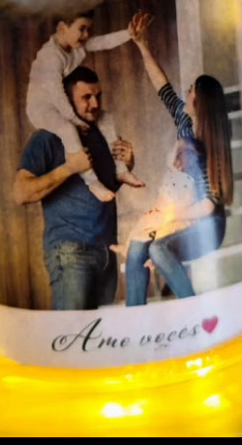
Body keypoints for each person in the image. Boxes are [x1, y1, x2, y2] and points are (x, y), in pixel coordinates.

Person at [122, 14, 234, 305]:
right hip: (181, 211)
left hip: (205, 222)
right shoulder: (184, 121)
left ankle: (192, 309)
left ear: (201, 102)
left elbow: (207, 205)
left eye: (192, 89)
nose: (186, 91)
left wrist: (168, 217)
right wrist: (141, 45)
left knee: (158, 249)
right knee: (135, 252)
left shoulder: (209, 147)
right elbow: (163, 87)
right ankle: (135, 318)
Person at [13, 65, 144, 310]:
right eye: (86, 97)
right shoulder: (47, 137)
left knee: (99, 332)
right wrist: (69, 168)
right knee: (73, 330)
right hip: (71, 253)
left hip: (106, 253)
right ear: (66, 101)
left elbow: (102, 192)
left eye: (98, 96)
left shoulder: (102, 133)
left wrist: (126, 166)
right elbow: (21, 193)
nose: (95, 104)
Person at [26, 10, 143, 201]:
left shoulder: (75, 45)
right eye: (82, 29)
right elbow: (56, 94)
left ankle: (121, 171)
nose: (86, 34)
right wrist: (74, 120)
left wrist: (128, 34)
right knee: (68, 129)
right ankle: (92, 182)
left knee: (106, 118)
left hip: (62, 102)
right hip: (42, 108)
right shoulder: (50, 56)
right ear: (62, 28)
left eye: (88, 29)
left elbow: (102, 42)